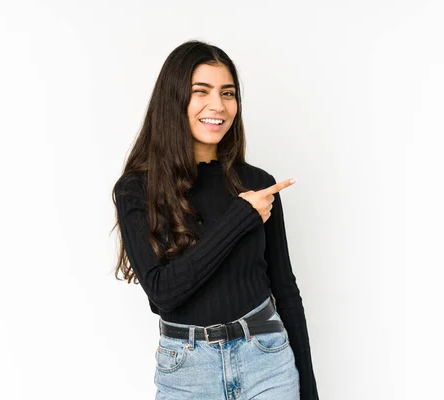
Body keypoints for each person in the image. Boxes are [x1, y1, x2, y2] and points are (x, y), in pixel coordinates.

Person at [111, 40, 319, 399]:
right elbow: (164, 294)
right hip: (187, 372)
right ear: (174, 100)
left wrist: (309, 390)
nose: (218, 106)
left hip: (267, 360)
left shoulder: (257, 184)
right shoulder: (136, 190)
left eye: (228, 93)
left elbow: (284, 288)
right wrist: (241, 217)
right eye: (201, 92)